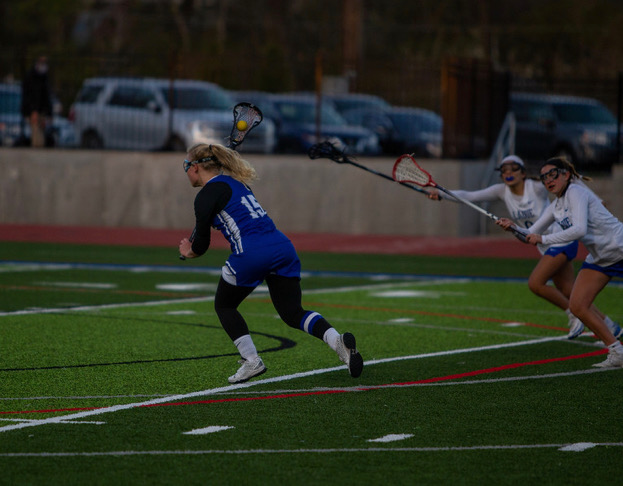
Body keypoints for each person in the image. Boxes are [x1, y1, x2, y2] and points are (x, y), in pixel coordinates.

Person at [178, 143, 364, 383]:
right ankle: (339, 344)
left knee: (224, 306)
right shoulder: (238, 184)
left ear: (196, 168)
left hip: (252, 253)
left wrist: (189, 251)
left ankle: (251, 361)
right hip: (282, 247)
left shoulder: (205, 196)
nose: (185, 170)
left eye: (185, 165)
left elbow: (201, 246)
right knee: (292, 312)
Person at [427, 155, 621, 340]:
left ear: (523, 173)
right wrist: (443, 195)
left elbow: (570, 186)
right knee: (571, 293)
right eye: (504, 170)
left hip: (561, 241)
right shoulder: (502, 191)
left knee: (536, 283)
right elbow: (470, 196)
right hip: (550, 245)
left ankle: (573, 314)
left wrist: (593, 197)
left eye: (513, 169)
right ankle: (610, 328)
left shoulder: (537, 187)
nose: (508, 173)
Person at [497, 157, 623, 368]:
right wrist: (513, 228)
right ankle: (617, 351)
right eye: (544, 177)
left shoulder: (576, 192)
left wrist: (544, 239)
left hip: (619, 247)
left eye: (553, 174)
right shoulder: (555, 206)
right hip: (601, 258)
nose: (548, 180)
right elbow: (530, 234)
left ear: (566, 175)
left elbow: (579, 230)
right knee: (577, 306)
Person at [21, 56, 53, 147]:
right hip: (33, 110)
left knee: (41, 132)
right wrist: (32, 110)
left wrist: (49, 113)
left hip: (42, 110)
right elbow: (29, 96)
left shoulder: (44, 77)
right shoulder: (31, 77)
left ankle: (39, 150)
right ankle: (37, 151)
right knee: (36, 133)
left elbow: (47, 97)